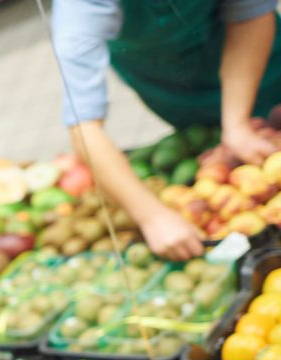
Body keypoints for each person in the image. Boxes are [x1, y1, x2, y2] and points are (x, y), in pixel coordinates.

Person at [52, 0, 281, 260]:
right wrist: (152, 216)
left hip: (259, 59)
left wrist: (236, 124)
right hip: (172, 82)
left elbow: (249, 14)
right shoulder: (81, 7)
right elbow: (83, 126)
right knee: (204, 139)